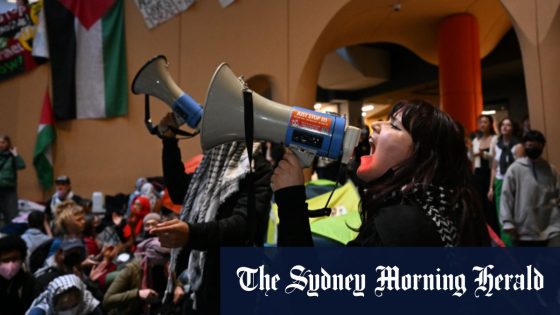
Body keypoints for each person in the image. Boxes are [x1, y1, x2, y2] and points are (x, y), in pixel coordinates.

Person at [272, 100, 490, 247]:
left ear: (421, 156)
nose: (376, 125)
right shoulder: (454, 209)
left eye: (394, 126)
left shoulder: (400, 227)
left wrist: (291, 202)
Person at [149, 112, 273, 314]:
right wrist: (169, 143)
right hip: (204, 277)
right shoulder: (213, 168)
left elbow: (241, 226)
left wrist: (191, 233)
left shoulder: (257, 168)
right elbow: (180, 191)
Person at [500, 130, 560, 246]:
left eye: (537, 145)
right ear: (524, 146)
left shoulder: (550, 169)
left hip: (547, 229)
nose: (533, 148)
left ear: (542, 146)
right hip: (521, 231)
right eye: (530, 145)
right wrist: (507, 222)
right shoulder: (515, 169)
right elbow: (506, 197)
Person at [103, 237, 182, 315]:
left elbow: (174, 280)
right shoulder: (131, 270)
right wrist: (138, 294)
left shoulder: (166, 266)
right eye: (165, 256)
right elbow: (107, 300)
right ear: (152, 254)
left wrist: (178, 287)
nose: (168, 260)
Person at [488, 117, 523, 246]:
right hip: (499, 181)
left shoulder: (517, 145)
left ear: (512, 128)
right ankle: (506, 243)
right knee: (501, 214)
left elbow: (521, 168)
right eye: (503, 125)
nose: (505, 127)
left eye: (508, 125)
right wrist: (491, 187)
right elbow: (494, 167)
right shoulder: (497, 145)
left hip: (513, 182)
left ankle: (517, 242)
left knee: (514, 212)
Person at [471, 115, 499, 236]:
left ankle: (494, 234)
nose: (483, 124)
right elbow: (471, 158)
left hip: (489, 172)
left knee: (490, 204)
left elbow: (495, 158)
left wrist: (483, 154)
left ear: (490, 124)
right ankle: (483, 232)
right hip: (478, 173)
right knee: (479, 204)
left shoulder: (495, 139)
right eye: (481, 122)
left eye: (485, 122)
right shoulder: (475, 141)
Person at [26, 274, 101, 315]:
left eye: (74, 306)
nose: (70, 312)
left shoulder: (88, 305)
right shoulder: (39, 313)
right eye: (64, 309)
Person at [0, 235, 36, 315]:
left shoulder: (29, 282)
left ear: (22, 259)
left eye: (14, 259)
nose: (11, 265)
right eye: (6, 260)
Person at [0, 134, 26, 225]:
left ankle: (10, 236)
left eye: (3, 142)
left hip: (9, 191)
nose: (1, 144)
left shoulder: (12, 157)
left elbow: (21, 166)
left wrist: (16, 155)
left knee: (11, 216)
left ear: (7, 143)